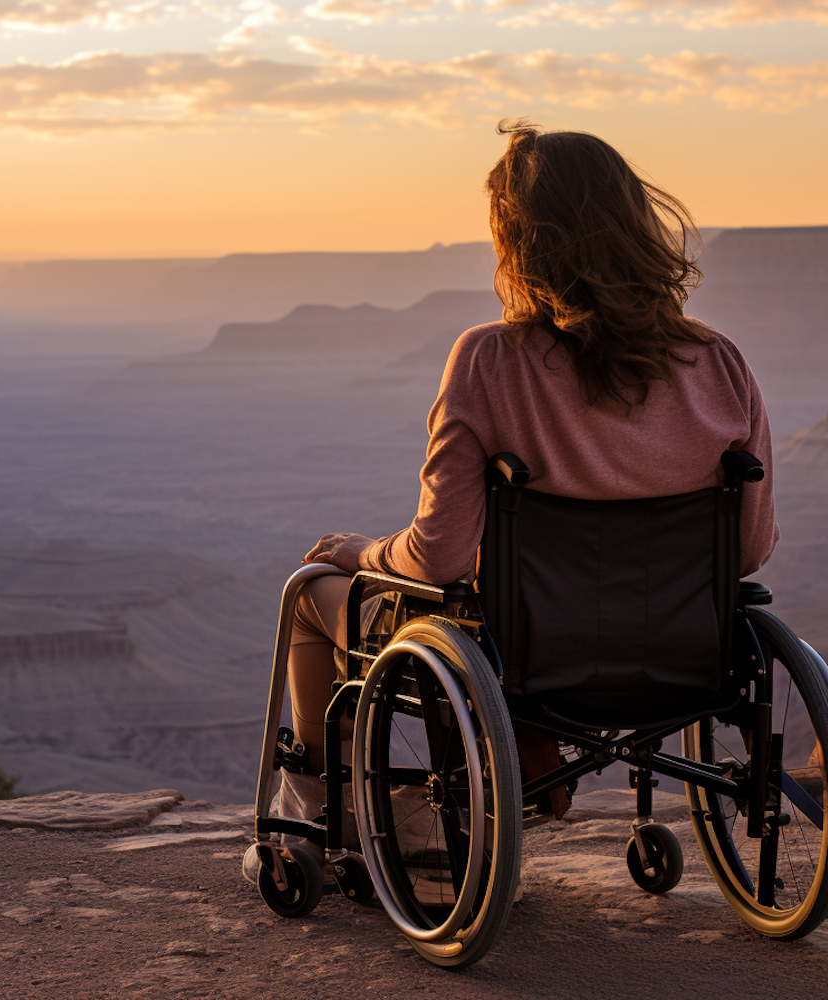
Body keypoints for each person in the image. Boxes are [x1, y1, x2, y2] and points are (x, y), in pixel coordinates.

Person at [248, 120, 778, 878]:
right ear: (636, 222)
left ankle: (316, 819)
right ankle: (523, 757)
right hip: (680, 651)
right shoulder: (718, 361)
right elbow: (750, 550)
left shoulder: (491, 360)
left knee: (312, 593)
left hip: (528, 657)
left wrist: (359, 552)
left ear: (520, 241)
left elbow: (435, 558)